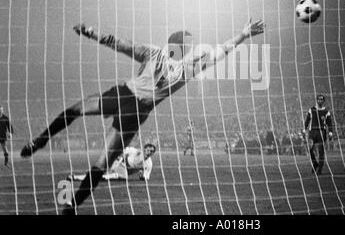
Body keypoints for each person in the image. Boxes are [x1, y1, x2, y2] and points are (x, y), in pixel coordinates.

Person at [20, 18, 265, 214]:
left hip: (129, 102)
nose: (190, 49)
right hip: (132, 103)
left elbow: (119, 43)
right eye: (187, 45)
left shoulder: (174, 63)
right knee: (92, 146)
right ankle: (59, 181)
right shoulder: (176, 64)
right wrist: (243, 35)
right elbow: (122, 44)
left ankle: (59, 183)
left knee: (87, 136)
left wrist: (91, 32)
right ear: (180, 46)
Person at [68, 144, 155, 181]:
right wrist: (117, 161)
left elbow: (146, 177)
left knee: (98, 176)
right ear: (144, 149)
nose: (149, 152)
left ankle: (75, 177)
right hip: (117, 162)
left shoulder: (149, 164)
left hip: (123, 170)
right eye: (148, 150)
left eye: (152, 151)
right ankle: (107, 176)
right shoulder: (133, 151)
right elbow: (121, 152)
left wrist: (142, 176)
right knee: (124, 176)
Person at [304, 94, 333, 175]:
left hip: (321, 132)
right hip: (312, 131)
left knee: (321, 151)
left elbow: (329, 122)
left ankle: (319, 169)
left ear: (323, 101)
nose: (320, 101)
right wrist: (304, 129)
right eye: (318, 99)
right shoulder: (311, 110)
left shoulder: (326, 111)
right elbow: (307, 120)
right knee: (309, 148)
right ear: (316, 100)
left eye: (321, 99)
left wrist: (330, 132)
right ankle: (315, 164)